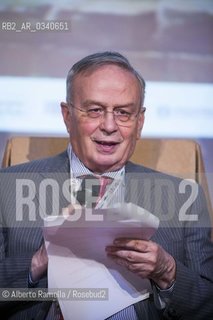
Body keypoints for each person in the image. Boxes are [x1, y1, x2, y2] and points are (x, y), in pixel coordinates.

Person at [0, 51, 213, 320]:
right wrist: (39, 260)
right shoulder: (7, 188)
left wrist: (166, 271)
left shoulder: (184, 198)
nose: (109, 126)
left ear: (139, 123)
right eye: (95, 110)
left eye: (124, 113)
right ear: (67, 116)